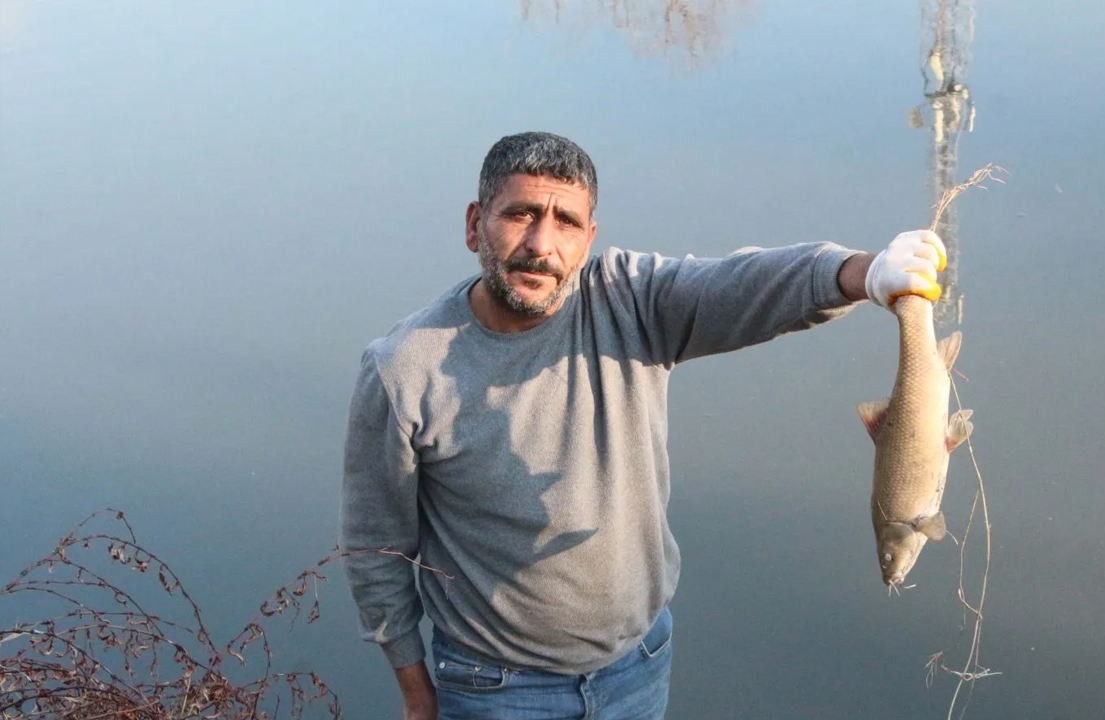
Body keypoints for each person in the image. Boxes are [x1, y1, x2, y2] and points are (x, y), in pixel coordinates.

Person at [340, 131, 947, 720]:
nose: (541, 244)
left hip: (639, 664)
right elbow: (376, 548)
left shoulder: (629, 299)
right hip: (494, 687)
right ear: (476, 223)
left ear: (590, 237)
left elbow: (739, 284)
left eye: (566, 222)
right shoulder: (404, 368)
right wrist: (416, 689)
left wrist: (863, 274)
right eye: (520, 215)